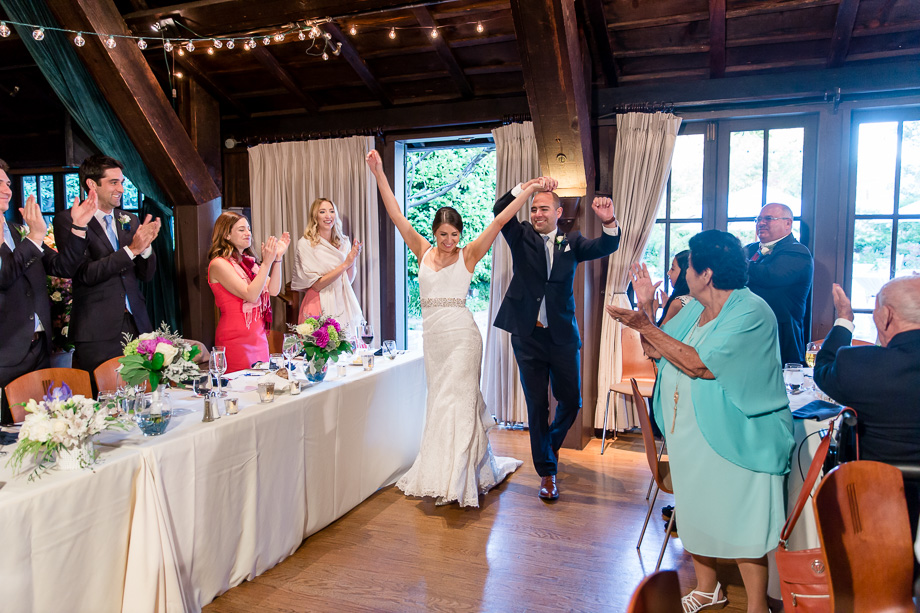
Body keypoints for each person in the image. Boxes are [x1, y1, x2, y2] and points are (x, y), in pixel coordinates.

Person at [607, 230, 794, 613]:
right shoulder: (692, 306)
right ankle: (709, 589)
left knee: (745, 522)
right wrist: (646, 310)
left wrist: (644, 325)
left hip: (738, 433)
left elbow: (700, 364)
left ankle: (757, 605)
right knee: (696, 513)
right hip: (689, 433)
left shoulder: (751, 311)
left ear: (705, 273)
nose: (682, 271)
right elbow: (655, 350)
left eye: (688, 264)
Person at [366, 149, 537, 508]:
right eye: (444, 234)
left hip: (462, 338)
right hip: (435, 343)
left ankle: (458, 480)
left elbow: (500, 221)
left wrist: (528, 190)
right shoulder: (423, 251)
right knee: (439, 406)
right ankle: (448, 472)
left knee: (459, 404)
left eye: (455, 234)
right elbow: (396, 215)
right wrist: (379, 172)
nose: (449, 241)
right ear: (434, 232)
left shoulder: (469, 254)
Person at [492, 186, 620, 501]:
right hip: (527, 336)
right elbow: (500, 209)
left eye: (544, 209)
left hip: (562, 337)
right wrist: (528, 187)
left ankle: (548, 446)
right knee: (537, 406)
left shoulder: (571, 241)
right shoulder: (520, 236)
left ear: (558, 213)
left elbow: (607, 245)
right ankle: (547, 473)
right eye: (534, 209)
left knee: (571, 401)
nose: (537, 214)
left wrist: (609, 220)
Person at [814, 277, 920, 532]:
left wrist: (844, 317)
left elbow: (823, 369)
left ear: (886, 315)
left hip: (879, 512)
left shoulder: (859, 365)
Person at [0, 159, 96, 423]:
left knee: (41, 429)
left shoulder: (16, 231)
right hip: (6, 351)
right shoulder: (27, 235)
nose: (7, 189)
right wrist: (35, 236)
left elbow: (62, 267)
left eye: (8, 183)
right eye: (0, 183)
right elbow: (3, 276)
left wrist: (78, 227)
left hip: (38, 348)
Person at [52, 155, 161, 375]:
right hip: (96, 328)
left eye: (122, 182)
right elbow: (84, 273)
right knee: (105, 397)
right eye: (113, 182)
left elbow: (146, 275)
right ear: (92, 184)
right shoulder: (69, 220)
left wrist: (146, 248)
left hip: (137, 322)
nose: (121, 188)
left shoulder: (129, 219)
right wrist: (132, 250)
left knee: (144, 393)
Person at [207, 211, 290, 373]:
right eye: (241, 229)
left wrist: (277, 258)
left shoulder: (248, 264)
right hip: (235, 340)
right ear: (226, 235)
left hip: (258, 337)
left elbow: (273, 290)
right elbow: (250, 295)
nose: (248, 233)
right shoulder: (218, 264)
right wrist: (266, 263)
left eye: (249, 229)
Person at [744, 203, 814, 366]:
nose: (761, 223)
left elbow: (770, 276)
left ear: (788, 223)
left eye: (768, 219)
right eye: (759, 219)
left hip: (779, 338)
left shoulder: (797, 252)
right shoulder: (749, 250)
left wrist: (734, 262)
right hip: (745, 335)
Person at [291, 197, 364, 333]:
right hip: (317, 302)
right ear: (315, 216)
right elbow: (317, 285)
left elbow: (347, 281)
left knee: (346, 349)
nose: (328, 216)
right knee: (318, 349)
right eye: (322, 212)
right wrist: (345, 264)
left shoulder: (344, 242)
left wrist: (352, 259)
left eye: (331, 211)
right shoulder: (306, 244)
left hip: (342, 301)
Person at [655, 250, 691, 327]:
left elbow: (657, 337)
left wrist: (650, 309)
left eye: (673, 269)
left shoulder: (679, 303)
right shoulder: (696, 300)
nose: (668, 272)